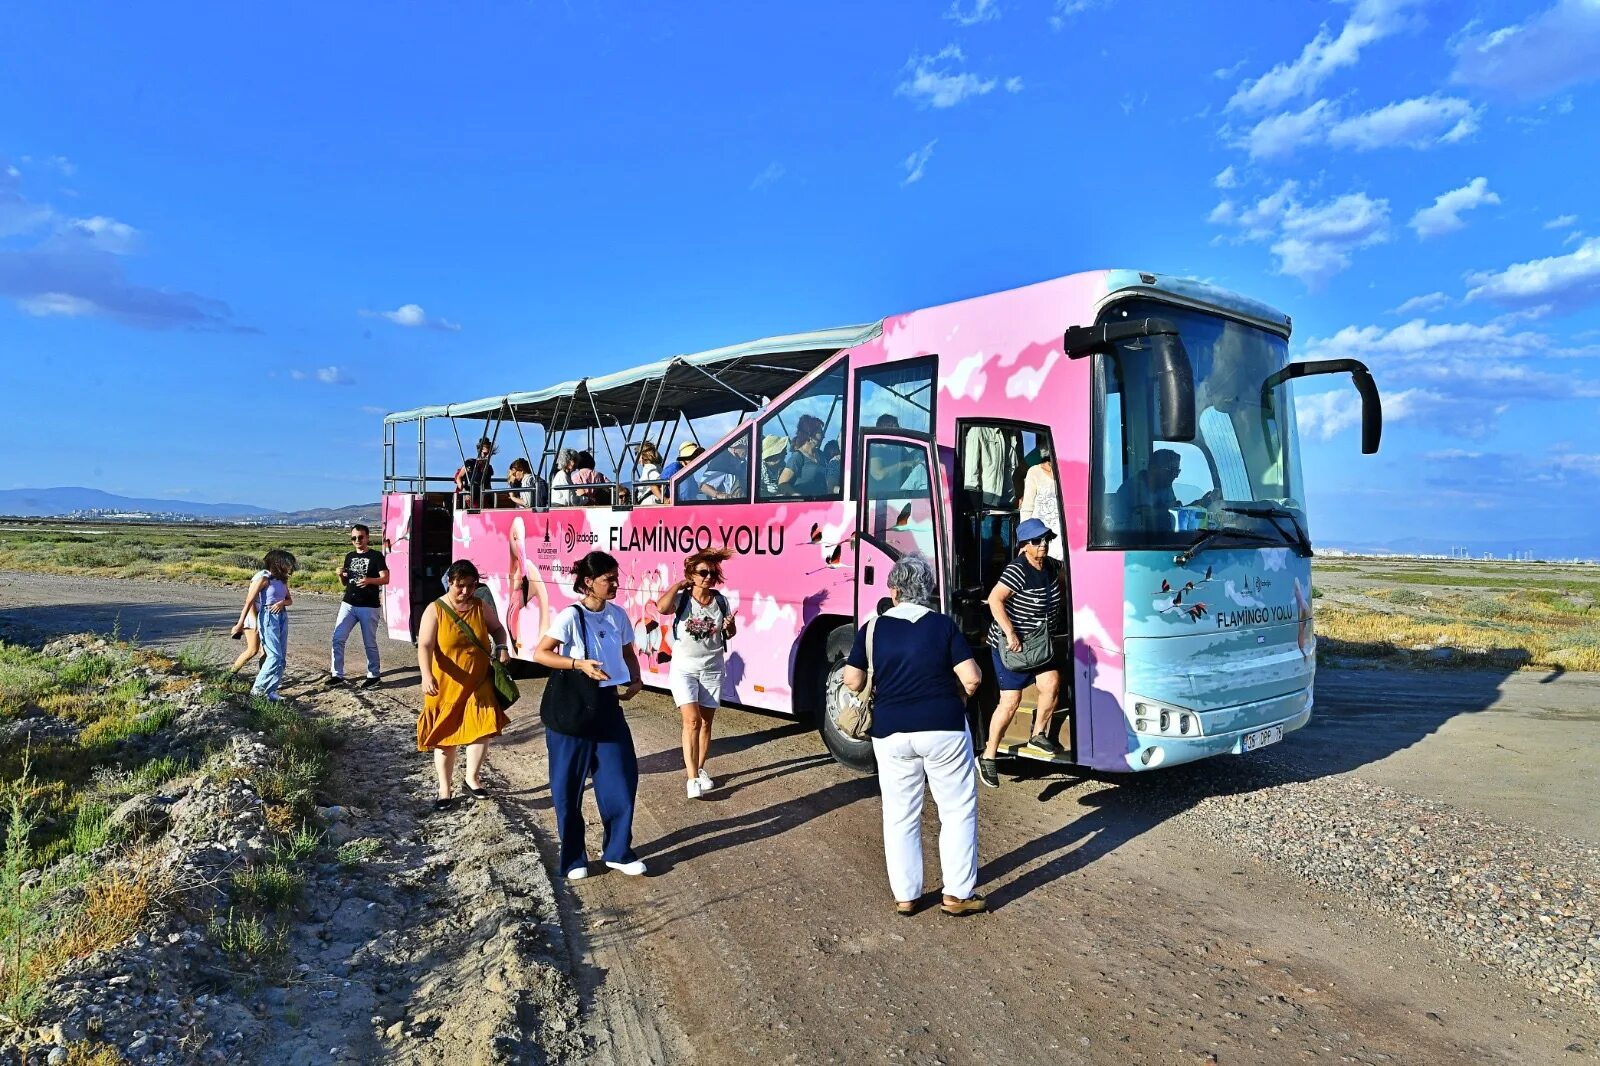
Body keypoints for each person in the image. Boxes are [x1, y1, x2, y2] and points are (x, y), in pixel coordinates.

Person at [842, 553, 984, 917]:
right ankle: (957, 894)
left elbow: (853, 680)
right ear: (928, 591)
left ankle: (906, 895)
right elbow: (972, 678)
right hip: (944, 728)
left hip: (890, 731)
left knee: (901, 813)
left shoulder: (872, 628)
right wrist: (955, 702)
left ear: (894, 591)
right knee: (956, 810)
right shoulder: (942, 626)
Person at [532, 551, 648, 880]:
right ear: (588, 582)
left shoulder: (618, 615)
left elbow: (628, 651)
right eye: (608, 579)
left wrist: (636, 678)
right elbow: (541, 653)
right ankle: (573, 859)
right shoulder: (570, 616)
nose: (615, 584)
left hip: (608, 704)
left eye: (615, 578)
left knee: (621, 777)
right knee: (567, 786)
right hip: (574, 706)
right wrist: (577, 664)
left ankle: (618, 852)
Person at [415, 560, 511, 811]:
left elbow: (498, 629)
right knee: (445, 738)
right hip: (445, 684)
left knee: (481, 729)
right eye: (460, 586)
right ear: (450, 583)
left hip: (478, 682)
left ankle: (472, 779)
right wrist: (426, 675)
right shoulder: (435, 610)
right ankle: (444, 789)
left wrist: (501, 646)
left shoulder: (481, 606)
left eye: (471, 586)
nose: (466, 592)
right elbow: (424, 645)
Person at [978, 517, 1066, 787]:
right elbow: (995, 600)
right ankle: (989, 756)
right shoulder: (1016, 570)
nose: (1043, 545)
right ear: (1024, 546)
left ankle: (1038, 734)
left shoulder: (1052, 566)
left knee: (1051, 682)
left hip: (1039, 644)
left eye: (1046, 539)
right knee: (1010, 702)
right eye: (1037, 541)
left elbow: (1071, 576)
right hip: (1012, 646)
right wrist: (1010, 632)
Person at [656, 548, 737, 800]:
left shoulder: (721, 601)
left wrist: (730, 627)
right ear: (692, 574)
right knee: (691, 720)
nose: (708, 577)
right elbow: (661, 608)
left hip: (712, 668)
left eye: (712, 573)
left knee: (705, 723)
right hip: (684, 669)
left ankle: (700, 769)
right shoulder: (682, 599)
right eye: (703, 572)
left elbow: (729, 635)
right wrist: (679, 584)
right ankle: (692, 779)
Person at [326, 524, 388, 689]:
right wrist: (341, 576)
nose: (357, 540)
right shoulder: (350, 556)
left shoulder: (376, 557)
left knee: (369, 642)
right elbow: (346, 582)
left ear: (367, 538)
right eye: (354, 538)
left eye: (361, 537)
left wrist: (369, 580)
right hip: (348, 604)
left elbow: (385, 578)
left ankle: (373, 675)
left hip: (369, 605)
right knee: (338, 638)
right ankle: (337, 674)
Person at [1111, 448, 1217, 531]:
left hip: (1164, 541)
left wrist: (1198, 505)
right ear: (1153, 468)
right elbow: (1123, 528)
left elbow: (1170, 513)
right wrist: (1163, 511)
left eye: (1177, 471)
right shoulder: (1128, 490)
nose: (1175, 476)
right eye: (1171, 471)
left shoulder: (1165, 487)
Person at [244, 549, 296, 702]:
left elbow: (289, 600)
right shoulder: (264, 579)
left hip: (282, 616)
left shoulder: (283, 580)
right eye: (287, 563)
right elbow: (249, 601)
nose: (290, 567)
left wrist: (282, 603)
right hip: (268, 617)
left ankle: (271, 690)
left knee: (281, 658)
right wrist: (245, 623)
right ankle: (257, 690)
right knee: (274, 656)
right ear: (278, 563)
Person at [1019, 443, 1064, 561]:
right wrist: (1024, 539)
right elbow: (1027, 507)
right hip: (1039, 536)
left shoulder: (1067, 473)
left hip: (1062, 536)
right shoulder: (1034, 472)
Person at [776, 413, 828, 496]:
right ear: (810, 434)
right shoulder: (798, 457)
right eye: (820, 432)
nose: (824, 436)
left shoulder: (821, 455)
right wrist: (796, 495)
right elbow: (782, 483)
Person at [227, 574, 263, 678]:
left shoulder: (274, 578)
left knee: (266, 652)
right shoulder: (261, 577)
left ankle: (263, 678)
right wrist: (255, 621)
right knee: (252, 650)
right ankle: (230, 675)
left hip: (264, 618)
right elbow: (250, 601)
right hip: (253, 619)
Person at [455, 437, 496, 508]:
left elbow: (488, 485)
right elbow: (459, 477)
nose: (487, 457)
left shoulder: (489, 468)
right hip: (467, 498)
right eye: (485, 454)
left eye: (489, 455)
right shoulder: (470, 463)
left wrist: (491, 501)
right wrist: (463, 490)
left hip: (481, 499)